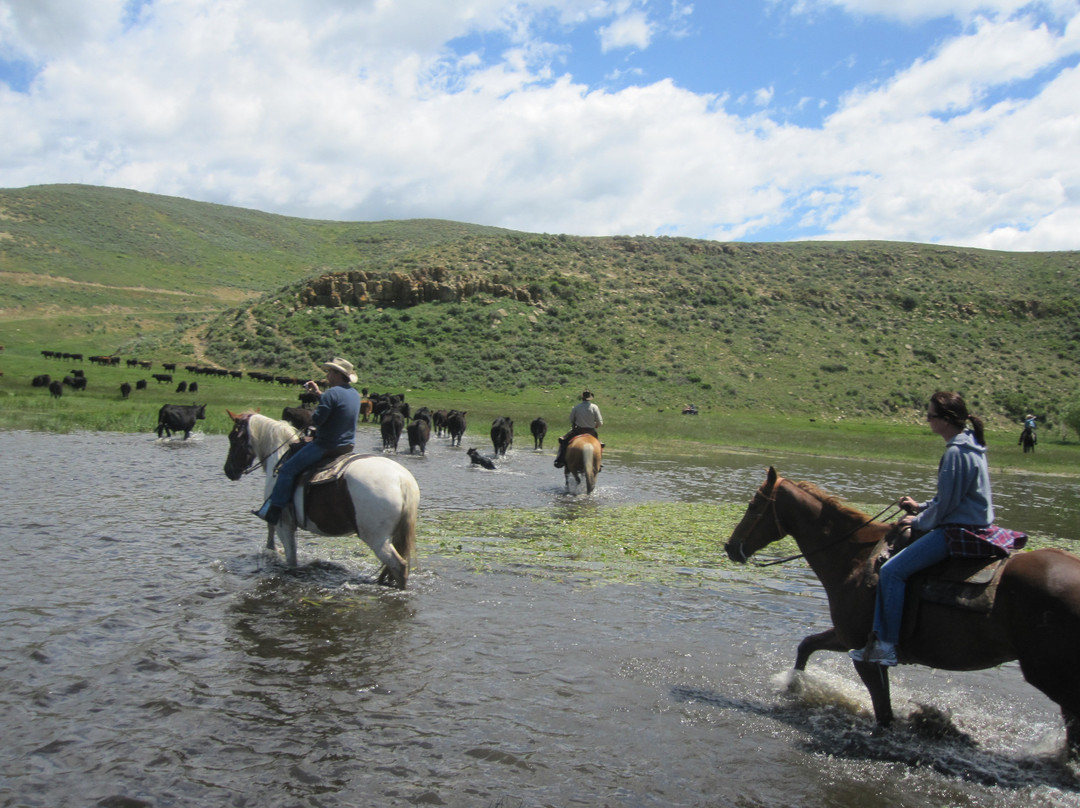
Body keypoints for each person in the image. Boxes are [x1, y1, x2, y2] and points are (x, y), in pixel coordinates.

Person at [850, 391, 1026, 667]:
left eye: (930, 415)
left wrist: (918, 521)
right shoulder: (971, 445)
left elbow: (946, 506)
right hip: (976, 524)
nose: (927, 420)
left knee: (892, 571)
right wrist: (920, 507)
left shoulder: (955, 452)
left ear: (945, 419)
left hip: (957, 530)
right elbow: (951, 497)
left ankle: (886, 645)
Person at [253, 357, 361, 525]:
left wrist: (317, 410)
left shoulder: (331, 393)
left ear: (337, 374)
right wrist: (319, 394)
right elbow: (337, 405)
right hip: (347, 446)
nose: (327, 375)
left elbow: (317, 420)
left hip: (326, 445)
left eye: (330, 372)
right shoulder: (354, 394)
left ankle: (274, 511)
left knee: (287, 470)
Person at [553, 390, 603, 468]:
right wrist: (596, 425)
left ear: (582, 398)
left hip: (578, 431)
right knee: (600, 445)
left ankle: (560, 460)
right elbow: (600, 422)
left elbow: (571, 419)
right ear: (590, 398)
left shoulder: (577, 407)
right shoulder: (595, 407)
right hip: (591, 431)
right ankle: (599, 462)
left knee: (563, 441)